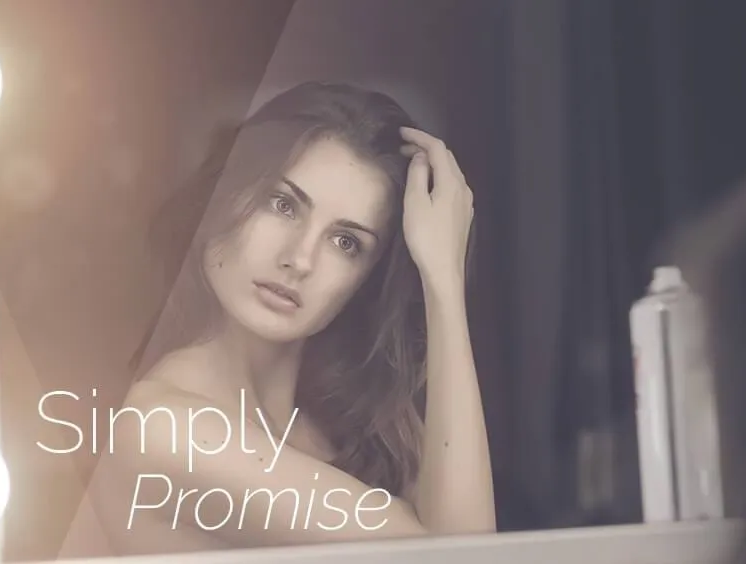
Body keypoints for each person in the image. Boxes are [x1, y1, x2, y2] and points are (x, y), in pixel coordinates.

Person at [64, 81, 494, 556]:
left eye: (346, 242)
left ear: (365, 280)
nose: (300, 258)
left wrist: (440, 276)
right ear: (223, 197)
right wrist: (444, 285)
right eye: (283, 204)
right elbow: (465, 558)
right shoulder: (162, 429)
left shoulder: (365, 424)